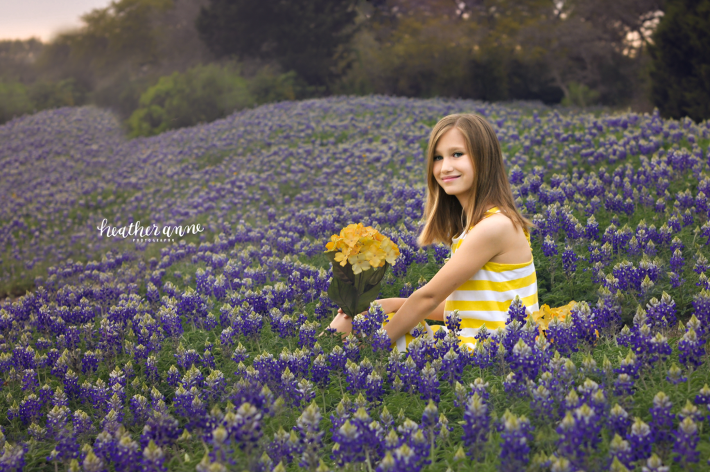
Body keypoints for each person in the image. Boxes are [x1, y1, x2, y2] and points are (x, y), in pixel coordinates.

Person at [328, 113, 539, 352]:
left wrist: (373, 348)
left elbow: (428, 298)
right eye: (438, 157)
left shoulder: (494, 227)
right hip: (474, 342)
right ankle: (332, 357)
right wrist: (389, 304)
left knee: (350, 325)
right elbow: (464, 306)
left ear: (485, 159)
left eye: (457, 154)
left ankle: (334, 360)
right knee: (358, 316)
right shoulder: (477, 226)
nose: (445, 167)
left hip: (494, 352)